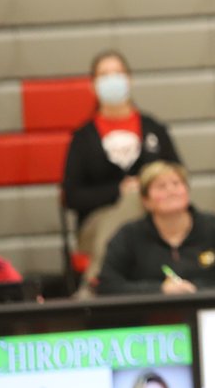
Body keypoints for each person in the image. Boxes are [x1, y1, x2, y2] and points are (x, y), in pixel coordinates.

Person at [61, 50, 182, 289]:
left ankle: (96, 284)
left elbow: (178, 175)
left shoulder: (153, 128)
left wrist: (144, 190)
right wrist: (118, 191)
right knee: (127, 208)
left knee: (136, 201)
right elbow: (72, 196)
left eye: (117, 73)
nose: (112, 80)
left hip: (155, 217)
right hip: (96, 224)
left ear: (130, 79)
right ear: (92, 85)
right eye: (104, 75)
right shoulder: (83, 138)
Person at [96, 161, 215, 295]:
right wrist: (160, 290)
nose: (171, 191)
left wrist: (196, 289)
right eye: (161, 186)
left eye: (176, 184)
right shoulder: (128, 236)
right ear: (145, 200)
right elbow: (107, 285)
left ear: (187, 192)